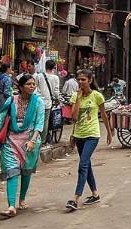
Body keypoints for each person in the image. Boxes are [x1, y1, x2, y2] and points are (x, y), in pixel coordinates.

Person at [0, 74, 45, 218]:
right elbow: (0, 120)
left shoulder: (38, 102)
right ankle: (11, 206)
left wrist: (33, 141)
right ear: (21, 87)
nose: (32, 86)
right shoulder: (11, 101)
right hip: (11, 141)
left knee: (26, 171)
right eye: (28, 84)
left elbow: (39, 123)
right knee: (12, 171)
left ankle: (22, 199)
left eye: (33, 84)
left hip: (30, 140)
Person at [66, 70, 112, 211]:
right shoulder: (75, 96)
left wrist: (109, 132)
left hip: (92, 134)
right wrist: (78, 98)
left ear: (90, 80)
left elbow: (103, 115)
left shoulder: (97, 96)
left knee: (83, 164)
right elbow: (73, 117)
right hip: (79, 134)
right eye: (78, 79)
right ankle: (95, 194)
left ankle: (75, 198)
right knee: (87, 165)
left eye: (83, 80)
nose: (80, 82)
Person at [35, 59, 60, 145]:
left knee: (37, 120)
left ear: (45, 66)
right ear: (54, 67)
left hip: (38, 101)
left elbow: (35, 87)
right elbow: (56, 91)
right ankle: (42, 140)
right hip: (47, 103)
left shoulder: (39, 76)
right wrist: (58, 99)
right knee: (45, 122)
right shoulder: (55, 78)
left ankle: (35, 138)